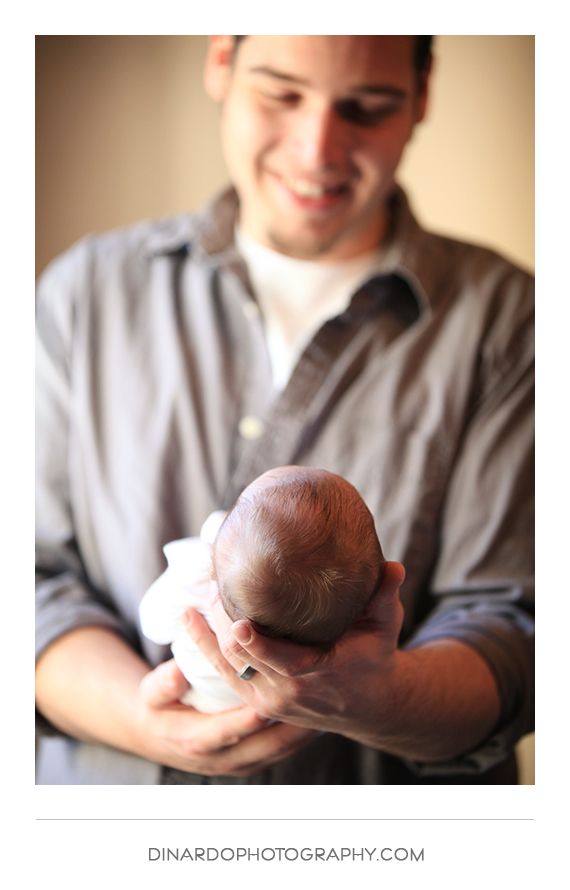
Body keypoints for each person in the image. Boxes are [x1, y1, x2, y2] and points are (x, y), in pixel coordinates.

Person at [35, 35, 534, 785]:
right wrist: (139, 717)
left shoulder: (507, 322)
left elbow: (515, 629)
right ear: (220, 64)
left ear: (422, 96)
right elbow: (31, 578)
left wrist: (380, 698)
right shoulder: (86, 295)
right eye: (281, 93)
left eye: (367, 107)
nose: (316, 149)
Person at [139, 466, 385, 714]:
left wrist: (205, 550)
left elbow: (152, 626)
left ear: (212, 569)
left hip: (195, 703)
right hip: (280, 714)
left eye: (236, 508)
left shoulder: (195, 574)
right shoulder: (335, 622)